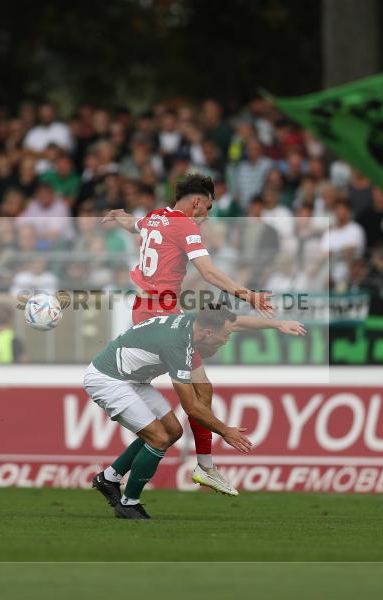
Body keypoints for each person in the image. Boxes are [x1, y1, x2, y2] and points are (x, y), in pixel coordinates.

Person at [103, 173, 304, 496]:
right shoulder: (185, 226)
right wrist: (247, 295)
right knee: (197, 393)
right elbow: (208, 272)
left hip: (146, 309)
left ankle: (114, 476)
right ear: (196, 202)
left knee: (196, 393)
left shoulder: (156, 218)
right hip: (161, 314)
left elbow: (134, 225)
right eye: (207, 208)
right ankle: (205, 466)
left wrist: (120, 217)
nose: (207, 216)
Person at [86, 305, 253, 519]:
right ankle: (129, 504)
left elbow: (203, 385)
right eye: (226, 334)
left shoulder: (193, 323)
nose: (227, 339)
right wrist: (225, 431)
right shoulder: (177, 344)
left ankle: (108, 479)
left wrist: (276, 324)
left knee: (173, 430)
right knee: (158, 438)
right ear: (208, 333)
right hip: (108, 380)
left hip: (133, 379)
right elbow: (191, 407)